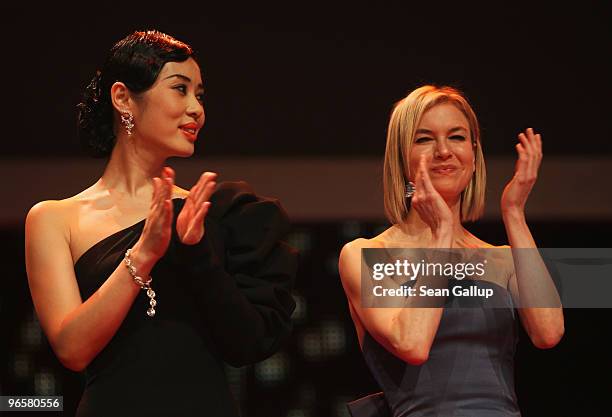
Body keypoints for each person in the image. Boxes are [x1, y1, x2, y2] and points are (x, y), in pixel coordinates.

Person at [24, 30, 297, 417]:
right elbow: (72, 349)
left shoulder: (211, 213)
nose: (196, 109)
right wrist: (145, 253)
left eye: (199, 95)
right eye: (180, 89)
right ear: (123, 99)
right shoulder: (54, 219)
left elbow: (247, 344)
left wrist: (198, 254)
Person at [339, 85, 564, 417]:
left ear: (473, 156)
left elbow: (548, 331)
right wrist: (442, 234)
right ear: (401, 158)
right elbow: (412, 343)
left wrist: (514, 212)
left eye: (457, 137)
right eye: (424, 139)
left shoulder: (501, 257)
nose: (443, 151)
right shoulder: (368, 254)